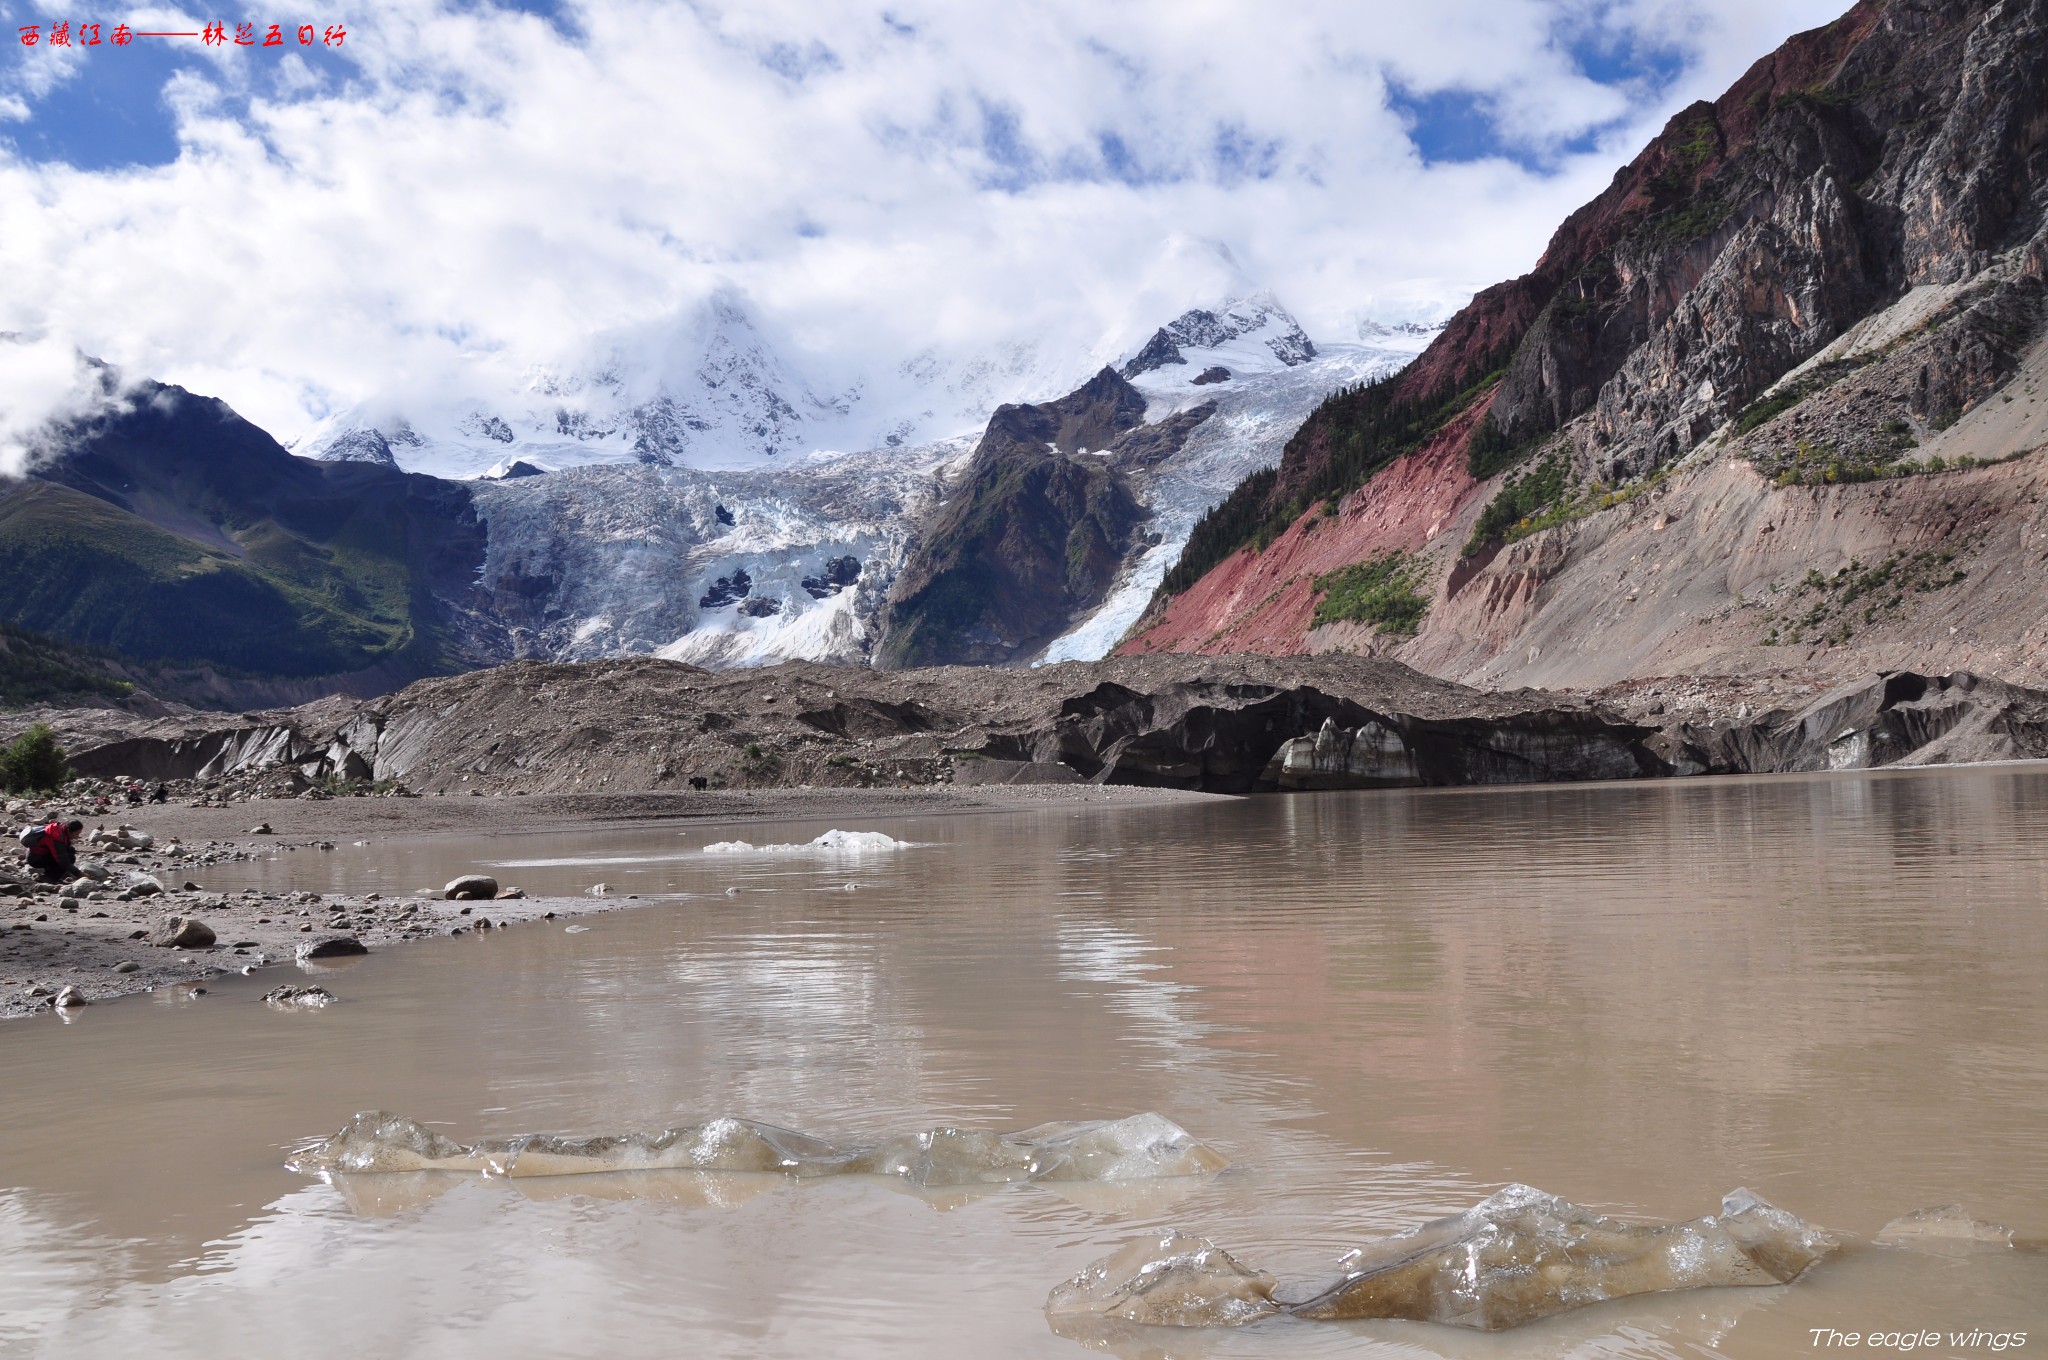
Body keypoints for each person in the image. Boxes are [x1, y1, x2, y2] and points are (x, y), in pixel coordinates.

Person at [21, 819, 83, 884]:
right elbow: (63, 861)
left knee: (70, 850)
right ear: (69, 831)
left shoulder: (60, 829)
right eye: (76, 834)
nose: (77, 837)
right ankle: (49, 878)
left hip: (34, 854)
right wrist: (79, 874)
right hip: (35, 859)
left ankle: (53, 875)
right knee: (69, 858)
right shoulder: (56, 837)